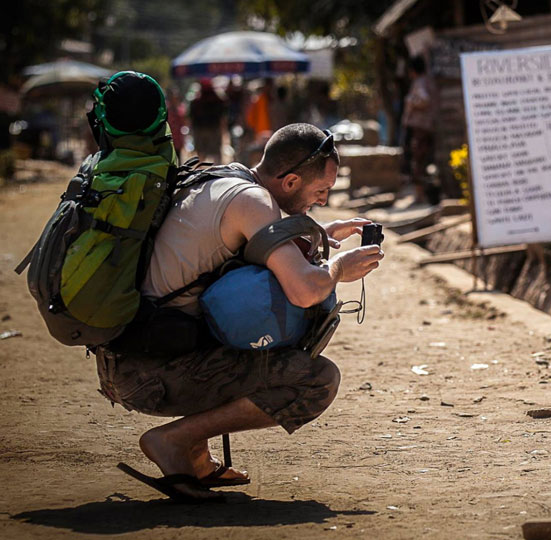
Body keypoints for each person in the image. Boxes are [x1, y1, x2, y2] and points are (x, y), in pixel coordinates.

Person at [96, 122, 384, 500]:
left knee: (243, 315)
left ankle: (195, 452)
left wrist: (321, 233)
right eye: (321, 191)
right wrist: (338, 270)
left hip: (129, 358)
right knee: (316, 378)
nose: (324, 201)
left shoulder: (225, 178)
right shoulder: (255, 203)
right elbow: (303, 291)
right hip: (149, 375)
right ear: (292, 181)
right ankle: (175, 440)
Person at [400, 56, 436, 204]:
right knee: (420, 160)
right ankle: (421, 194)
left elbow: (424, 99)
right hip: (423, 126)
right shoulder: (426, 81)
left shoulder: (420, 83)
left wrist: (411, 102)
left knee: (417, 161)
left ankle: (420, 195)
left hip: (419, 127)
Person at [188, 79, 227, 163]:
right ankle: (217, 169)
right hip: (214, 129)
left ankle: (202, 170)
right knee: (215, 152)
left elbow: (190, 117)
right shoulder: (218, 99)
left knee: (201, 152)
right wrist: (223, 129)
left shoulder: (195, 100)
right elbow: (222, 116)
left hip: (200, 129)